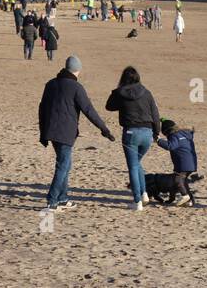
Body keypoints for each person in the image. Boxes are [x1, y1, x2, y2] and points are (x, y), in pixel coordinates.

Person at [39, 56, 115, 211]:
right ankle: (52, 200)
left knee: (65, 165)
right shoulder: (76, 87)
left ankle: (63, 198)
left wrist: (43, 132)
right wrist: (104, 129)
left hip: (51, 131)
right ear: (78, 70)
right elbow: (89, 110)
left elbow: (42, 109)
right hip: (65, 132)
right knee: (63, 165)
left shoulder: (51, 84)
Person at [104, 66, 160, 211]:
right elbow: (155, 114)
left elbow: (108, 106)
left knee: (133, 166)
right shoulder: (146, 92)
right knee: (137, 164)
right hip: (147, 133)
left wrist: (116, 91)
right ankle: (144, 194)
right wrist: (157, 133)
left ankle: (137, 201)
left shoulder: (121, 93)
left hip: (131, 133)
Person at [155, 119, 199, 205]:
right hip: (191, 162)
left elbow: (170, 146)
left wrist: (159, 141)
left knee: (177, 179)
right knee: (183, 181)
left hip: (183, 163)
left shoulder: (174, 135)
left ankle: (185, 196)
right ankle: (190, 201)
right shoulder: (185, 134)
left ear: (166, 131)